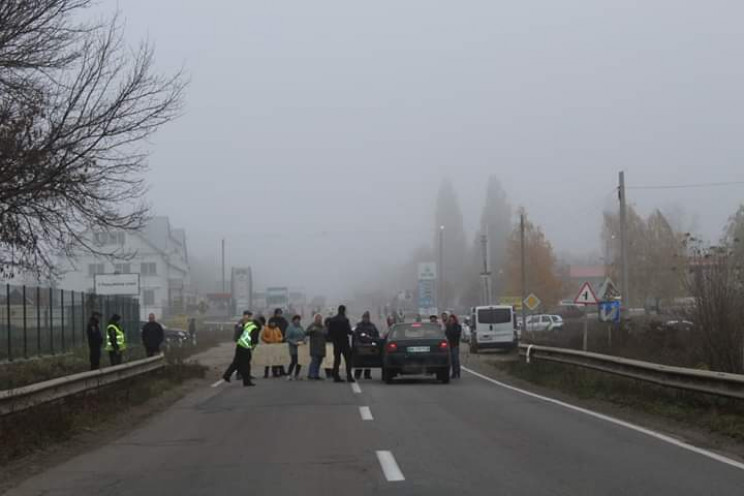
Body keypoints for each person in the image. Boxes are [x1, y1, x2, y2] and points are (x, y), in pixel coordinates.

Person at [222, 310, 257, 387]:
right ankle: (246, 381)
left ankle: (227, 375)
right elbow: (239, 333)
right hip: (243, 345)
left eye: (250, 316)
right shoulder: (242, 323)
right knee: (245, 363)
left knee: (237, 362)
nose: (249, 317)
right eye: (248, 315)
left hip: (244, 345)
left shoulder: (246, 323)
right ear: (245, 315)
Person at [328, 305, 355, 383]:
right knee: (348, 360)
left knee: (337, 360)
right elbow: (349, 331)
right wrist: (354, 332)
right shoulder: (345, 320)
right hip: (344, 342)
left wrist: (333, 339)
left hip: (336, 343)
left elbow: (329, 332)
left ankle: (336, 375)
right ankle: (349, 376)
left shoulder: (332, 320)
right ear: (344, 311)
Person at [353, 311, 380, 380]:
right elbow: (355, 336)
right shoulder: (359, 326)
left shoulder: (372, 326)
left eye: (367, 318)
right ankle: (357, 374)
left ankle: (367, 374)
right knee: (360, 361)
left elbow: (376, 335)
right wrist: (357, 343)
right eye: (364, 317)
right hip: (361, 345)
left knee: (368, 360)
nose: (365, 319)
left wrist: (375, 341)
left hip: (370, 345)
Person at [305, 313, 327, 380]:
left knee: (319, 362)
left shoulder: (323, 327)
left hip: (322, 347)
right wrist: (311, 330)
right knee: (314, 361)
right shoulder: (312, 326)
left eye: (320, 319)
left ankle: (316, 374)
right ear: (315, 319)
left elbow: (327, 334)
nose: (319, 320)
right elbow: (306, 333)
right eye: (318, 319)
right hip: (314, 346)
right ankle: (311, 375)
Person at [285, 315, 306, 380]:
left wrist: (304, 340)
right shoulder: (290, 328)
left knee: (300, 361)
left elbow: (304, 335)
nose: (297, 321)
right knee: (294, 361)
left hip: (301, 347)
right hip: (293, 346)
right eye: (296, 320)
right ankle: (289, 374)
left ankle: (297, 374)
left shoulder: (301, 327)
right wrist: (294, 342)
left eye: (298, 320)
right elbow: (287, 338)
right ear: (293, 320)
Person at [445, 314, 462, 379]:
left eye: (452, 320)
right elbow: (446, 335)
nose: (451, 321)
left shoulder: (458, 326)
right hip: (449, 345)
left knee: (456, 360)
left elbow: (457, 334)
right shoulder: (448, 327)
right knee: (451, 360)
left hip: (455, 345)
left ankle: (457, 372)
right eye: (450, 320)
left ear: (455, 320)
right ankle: (454, 373)